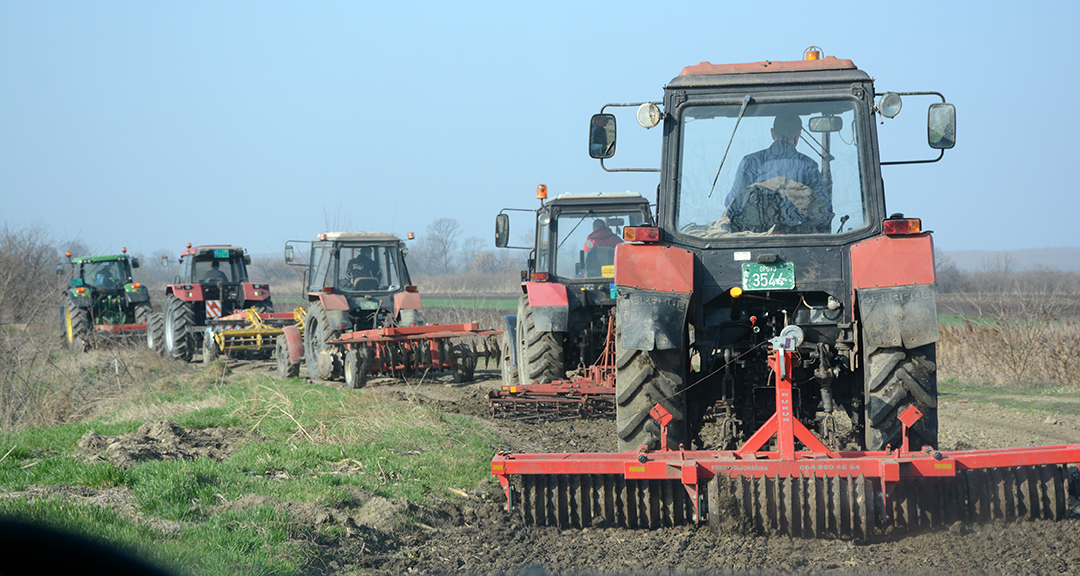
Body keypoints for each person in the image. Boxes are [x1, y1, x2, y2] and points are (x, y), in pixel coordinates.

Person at [721, 114, 832, 234]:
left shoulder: (750, 162)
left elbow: (732, 203)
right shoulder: (809, 166)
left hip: (754, 239)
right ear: (798, 136)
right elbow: (824, 209)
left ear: (772, 133)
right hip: (798, 241)